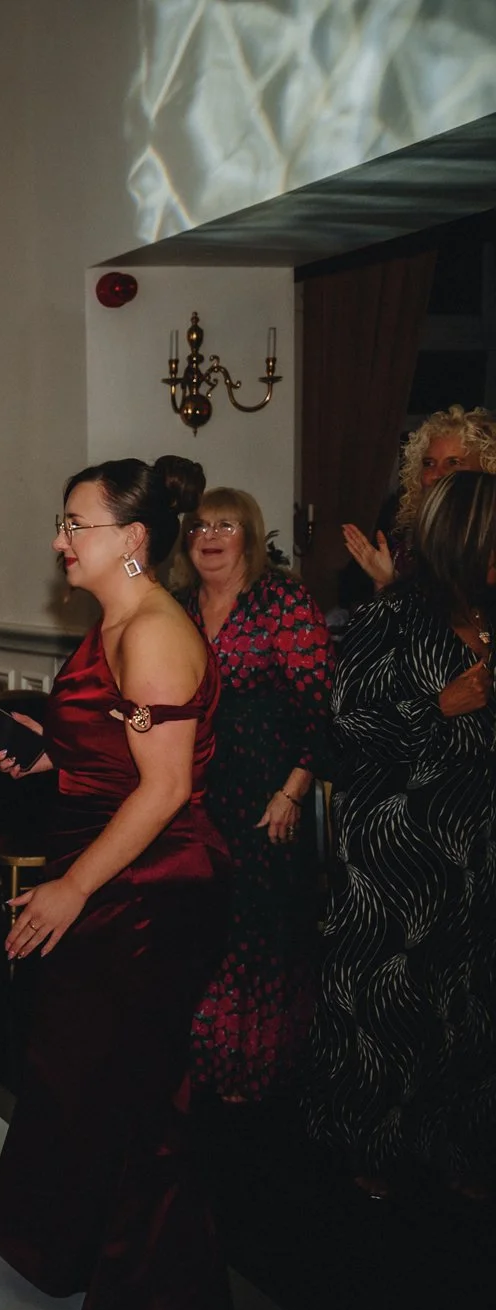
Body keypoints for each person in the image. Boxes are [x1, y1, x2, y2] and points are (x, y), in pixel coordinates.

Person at [0, 455, 235, 1310]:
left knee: (135, 1091)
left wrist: (73, 887)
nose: (60, 541)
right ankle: (56, 1242)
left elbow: (167, 789)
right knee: (74, 1071)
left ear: (133, 538)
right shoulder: (114, 619)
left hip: (150, 889)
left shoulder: (153, 630)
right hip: (108, 869)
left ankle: (155, 1303)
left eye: (74, 525)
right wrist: (46, 752)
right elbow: (112, 750)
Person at [308, 470, 496, 1202]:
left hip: (473, 850)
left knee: (465, 1007)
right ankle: (369, 1146)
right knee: (388, 1009)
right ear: (467, 538)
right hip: (397, 857)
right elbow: (347, 728)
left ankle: (454, 1146)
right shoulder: (393, 615)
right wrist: (438, 707)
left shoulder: (486, 616)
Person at [175, 487, 333, 1101]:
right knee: (203, 923)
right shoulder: (178, 608)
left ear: (250, 535)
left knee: (261, 931)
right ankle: (203, 1058)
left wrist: (293, 791)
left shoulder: (282, 601)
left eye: (226, 525)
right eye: (199, 527)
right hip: (194, 793)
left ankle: (257, 1066)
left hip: (268, 792)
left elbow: (322, 708)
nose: (210, 537)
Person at [341, 404, 495, 593]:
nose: (436, 475)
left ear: (486, 468)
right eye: (429, 463)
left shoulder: (487, 543)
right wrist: (386, 583)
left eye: (453, 463)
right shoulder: (409, 545)